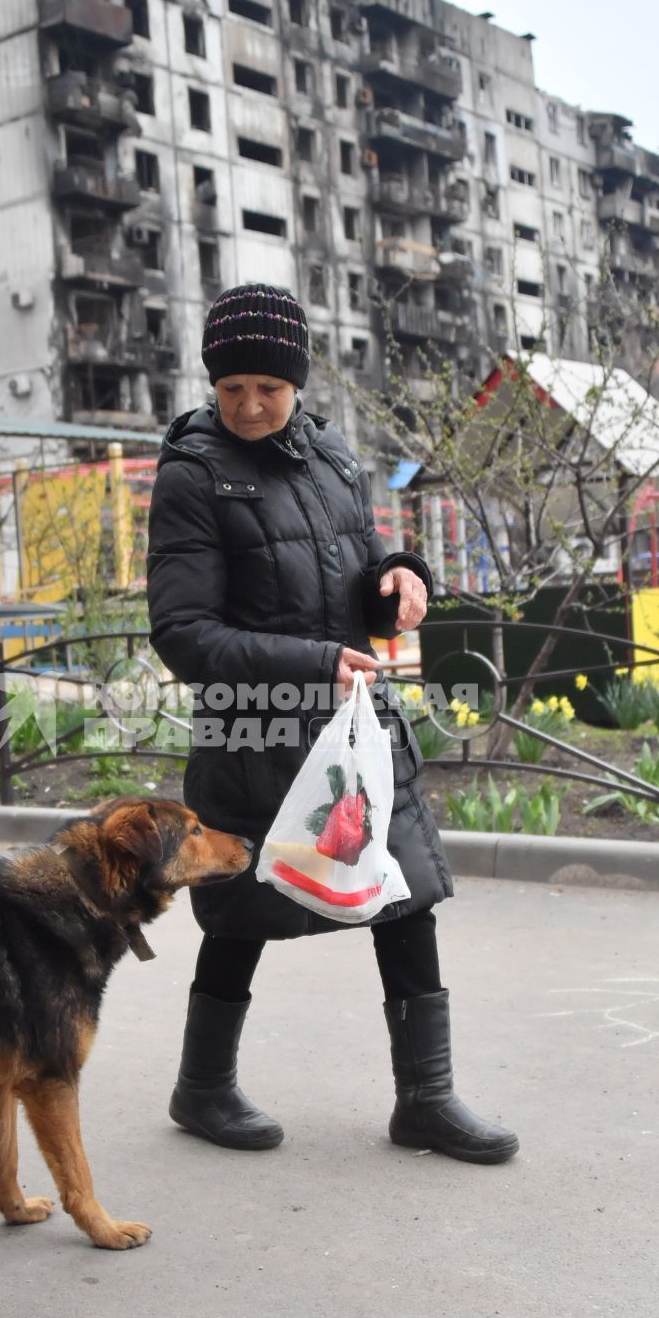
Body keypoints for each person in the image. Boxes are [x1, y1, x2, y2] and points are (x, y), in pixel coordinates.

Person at [146, 283, 518, 1164]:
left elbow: (349, 578)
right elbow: (182, 633)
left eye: (266, 388)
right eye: (231, 387)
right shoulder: (193, 474)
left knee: (402, 893)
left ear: (298, 381)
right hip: (253, 727)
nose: (248, 405)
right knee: (241, 907)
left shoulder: (332, 457)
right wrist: (310, 661)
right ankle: (203, 1088)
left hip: (351, 726)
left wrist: (398, 578)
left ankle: (425, 1099)